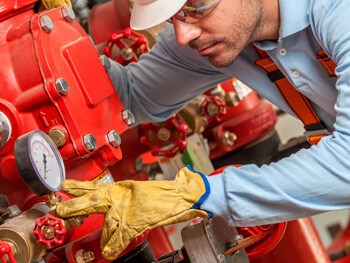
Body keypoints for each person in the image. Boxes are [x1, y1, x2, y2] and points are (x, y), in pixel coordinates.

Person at [56, 0, 350, 260]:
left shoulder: (338, 12)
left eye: (196, 6)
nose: (184, 36)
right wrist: (54, 43)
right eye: (172, 17)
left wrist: (198, 194)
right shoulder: (216, 32)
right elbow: (131, 96)